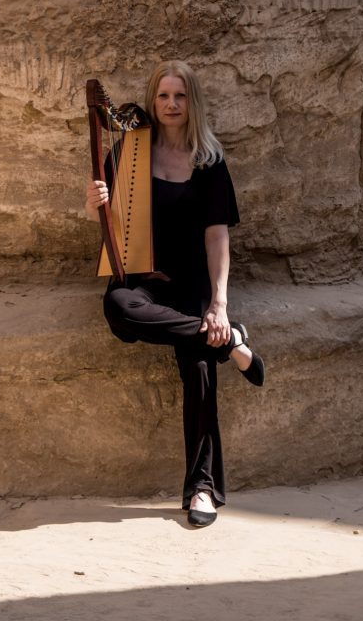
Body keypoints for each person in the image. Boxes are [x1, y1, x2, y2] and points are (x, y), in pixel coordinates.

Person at [85, 60, 264, 528]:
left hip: (192, 283)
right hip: (142, 281)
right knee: (118, 307)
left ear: (192, 102)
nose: (171, 104)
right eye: (163, 96)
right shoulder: (130, 150)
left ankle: (202, 488)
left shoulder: (209, 160)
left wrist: (219, 304)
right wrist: (95, 204)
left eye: (180, 96)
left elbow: (217, 236)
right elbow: (111, 223)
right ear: (153, 100)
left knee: (200, 366)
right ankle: (230, 341)